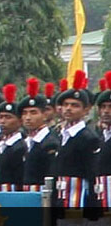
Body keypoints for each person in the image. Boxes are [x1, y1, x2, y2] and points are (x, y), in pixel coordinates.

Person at [55, 70, 100, 212]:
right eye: (66, 104)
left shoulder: (88, 137)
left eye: (75, 105)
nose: (68, 109)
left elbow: (92, 173)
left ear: (86, 110)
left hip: (78, 198)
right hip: (60, 196)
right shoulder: (61, 134)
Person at [18, 78, 59, 191]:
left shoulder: (50, 143)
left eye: (33, 113)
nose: (28, 118)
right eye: (24, 113)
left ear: (44, 115)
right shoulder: (25, 141)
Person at [0, 84, 25, 192]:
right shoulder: (0, 142)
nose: (2, 121)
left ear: (20, 121)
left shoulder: (21, 145)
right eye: (0, 117)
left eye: (8, 117)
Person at [94, 72, 111, 209]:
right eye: (103, 107)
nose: (106, 111)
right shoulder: (100, 136)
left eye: (110, 107)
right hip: (102, 195)